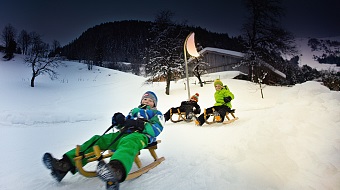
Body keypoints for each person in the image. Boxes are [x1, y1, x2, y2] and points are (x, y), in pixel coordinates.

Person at [43, 91, 164, 190]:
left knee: (129, 143)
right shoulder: (133, 111)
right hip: (123, 134)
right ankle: (65, 164)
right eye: (144, 99)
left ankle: (116, 171)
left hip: (141, 136)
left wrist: (141, 125)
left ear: (154, 104)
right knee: (98, 139)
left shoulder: (156, 113)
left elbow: (158, 128)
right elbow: (123, 125)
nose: (146, 101)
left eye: (150, 100)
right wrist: (118, 121)